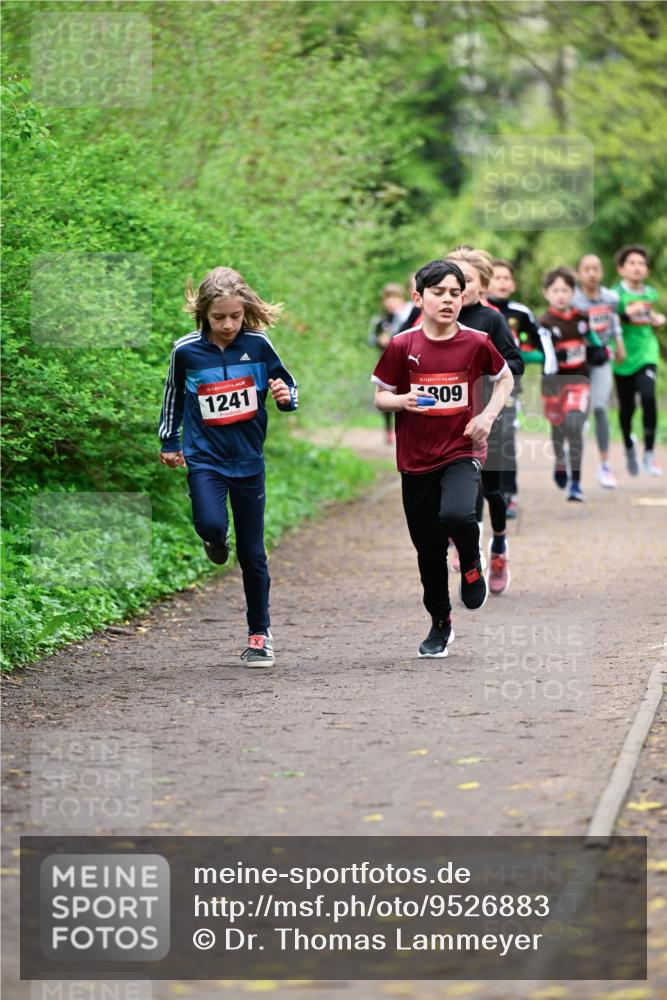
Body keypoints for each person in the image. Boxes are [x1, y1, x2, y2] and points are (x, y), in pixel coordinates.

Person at [371, 259, 513, 659]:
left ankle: (471, 560)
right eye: (439, 293)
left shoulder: (475, 341)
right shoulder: (403, 345)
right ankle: (440, 623)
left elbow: (505, 378)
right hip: (415, 460)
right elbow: (380, 395)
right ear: (419, 298)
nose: (449, 300)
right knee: (428, 551)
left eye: (455, 292)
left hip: (461, 449)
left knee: (458, 515)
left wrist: (487, 416)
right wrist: (402, 400)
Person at [158, 266, 298, 667]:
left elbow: (288, 386)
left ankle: (259, 634)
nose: (228, 324)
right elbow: (173, 398)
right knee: (212, 525)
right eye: (219, 317)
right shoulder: (185, 351)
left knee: (253, 552)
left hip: (248, 460)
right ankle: (213, 539)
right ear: (203, 313)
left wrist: (286, 397)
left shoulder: (259, 345)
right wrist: (169, 440)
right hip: (205, 457)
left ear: (246, 311)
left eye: (235, 316)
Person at [444, 247, 524, 597]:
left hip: (493, 416)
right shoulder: (437, 317)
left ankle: (500, 547)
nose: (458, 288)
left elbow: (515, 364)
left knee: (492, 490)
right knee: (465, 489)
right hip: (452, 422)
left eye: (467, 281)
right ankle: (470, 550)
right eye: (453, 280)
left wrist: (486, 374)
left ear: (484, 286)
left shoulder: (491, 320)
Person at [537, 266, 605, 502]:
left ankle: (576, 482)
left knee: (574, 425)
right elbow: (532, 353)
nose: (560, 295)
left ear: (573, 292)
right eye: (555, 290)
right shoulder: (542, 323)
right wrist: (555, 357)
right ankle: (560, 460)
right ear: (546, 293)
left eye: (565, 290)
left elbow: (595, 341)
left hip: (579, 381)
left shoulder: (581, 318)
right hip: (553, 384)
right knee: (558, 428)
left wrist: (599, 351)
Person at [487, 259, 544, 516]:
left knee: (506, 437)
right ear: (485, 283)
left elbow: (541, 342)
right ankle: (479, 494)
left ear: (513, 283)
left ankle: (508, 495)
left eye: (506, 278)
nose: (502, 282)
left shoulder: (521, 313)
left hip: (509, 385)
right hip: (477, 386)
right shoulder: (476, 311)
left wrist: (542, 362)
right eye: (496, 277)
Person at [572, 254, 626, 489]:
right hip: (578, 362)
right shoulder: (572, 300)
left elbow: (614, 322)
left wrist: (619, 344)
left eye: (596, 269)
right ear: (579, 273)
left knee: (601, 407)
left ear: (602, 272)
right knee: (579, 414)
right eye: (587, 269)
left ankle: (605, 465)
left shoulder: (611, 298)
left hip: (602, 358)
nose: (592, 273)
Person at [612, 245, 665, 476]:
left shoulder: (650, 293)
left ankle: (650, 454)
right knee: (627, 407)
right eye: (632, 263)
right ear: (621, 269)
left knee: (648, 396)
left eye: (641, 263)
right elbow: (610, 319)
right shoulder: (615, 295)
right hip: (622, 355)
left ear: (647, 269)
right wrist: (626, 316)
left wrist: (657, 319)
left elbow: (651, 316)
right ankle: (629, 447)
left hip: (646, 352)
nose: (637, 267)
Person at [368, 283, 413, 444]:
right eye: (388, 298)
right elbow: (371, 339)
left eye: (395, 298)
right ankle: (388, 429)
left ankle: (403, 429)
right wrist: (379, 341)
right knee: (385, 394)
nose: (391, 302)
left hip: (405, 362)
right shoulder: (380, 320)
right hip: (386, 362)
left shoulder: (407, 317)